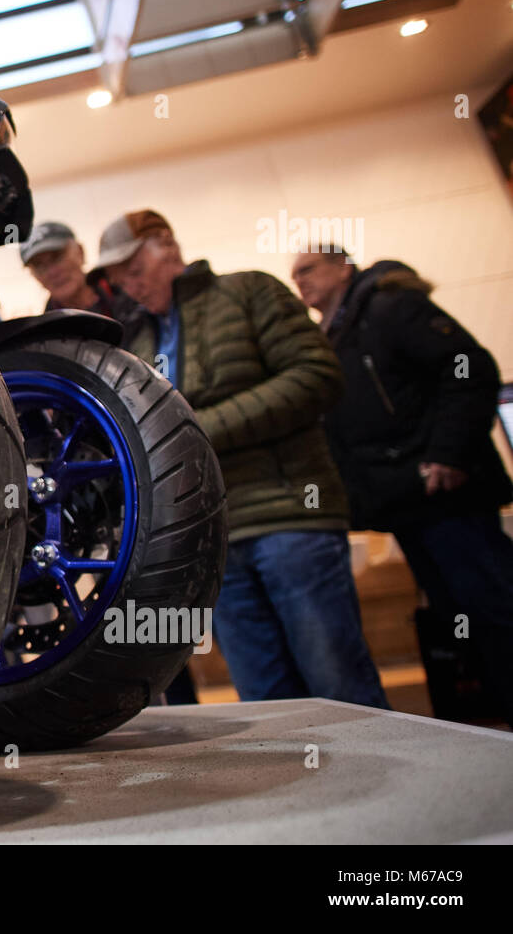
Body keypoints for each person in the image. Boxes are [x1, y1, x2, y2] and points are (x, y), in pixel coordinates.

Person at [92, 210, 388, 707]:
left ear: (166, 246)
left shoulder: (250, 290)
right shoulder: (136, 342)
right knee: (264, 699)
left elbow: (316, 376)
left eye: (136, 272)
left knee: (339, 686)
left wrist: (196, 430)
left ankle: (387, 785)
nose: (132, 288)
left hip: (290, 517)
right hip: (212, 543)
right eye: (122, 282)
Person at [293, 251, 513, 726]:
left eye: (308, 269)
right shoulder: (335, 334)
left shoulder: (389, 308)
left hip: (449, 498)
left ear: (344, 267)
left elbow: (468, 366)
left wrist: (449, 454)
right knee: (465, 623)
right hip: (406, 507)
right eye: (294, 274)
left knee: (495, 608)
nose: (299, 281)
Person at [21, 220, 195, 703]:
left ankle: (180, 711)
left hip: (154, 470)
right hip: (93, 489)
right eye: (38, 264)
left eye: (55, 256)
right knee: (118, 603)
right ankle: (145, 707)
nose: (50, 269)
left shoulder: (135, 307)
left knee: (161, 591)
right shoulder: (39, 337)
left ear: (79, 251)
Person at [18, 221, 142, 338]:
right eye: (39, 267)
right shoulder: (44, 336)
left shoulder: (132, 292)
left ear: (80, 252)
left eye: (57, 257)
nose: (52, 272)